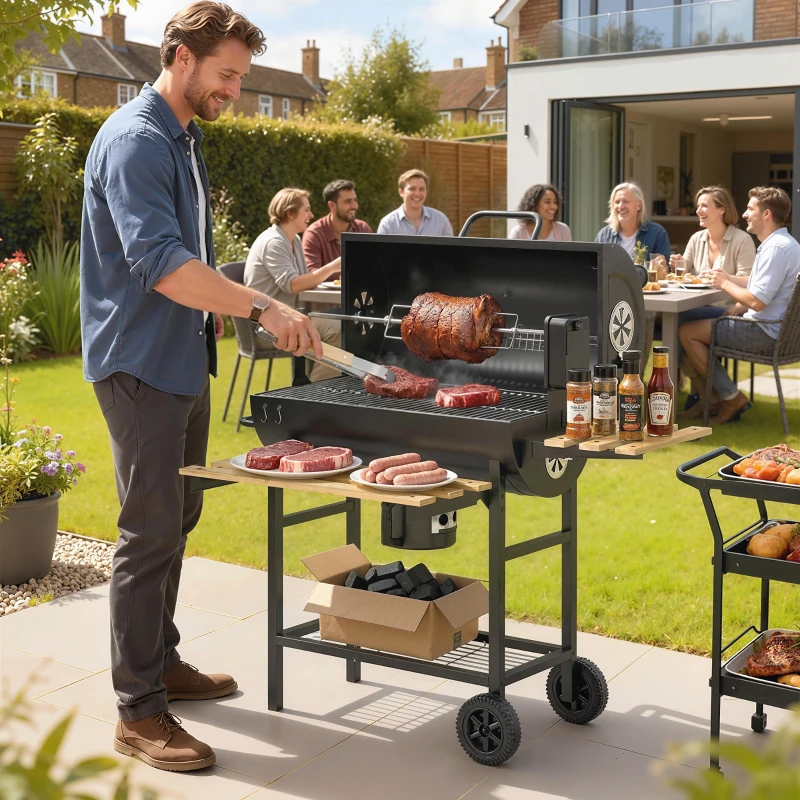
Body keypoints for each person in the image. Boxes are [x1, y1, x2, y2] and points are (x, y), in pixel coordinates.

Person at [81, 2, 321, 773]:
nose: (235, 91)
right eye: (226, 75)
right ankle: (137, 709)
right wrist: (262, 303)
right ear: (180, 58)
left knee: (178, 517)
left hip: (181, 360)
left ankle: (163, 662)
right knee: (148, 530)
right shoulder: (136, 141)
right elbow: (162, 266)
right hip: (138, 364)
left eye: (242, 78)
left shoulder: (184, 139)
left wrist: (223, 311)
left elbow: (189, 258)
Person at [679, 186, 799, 424]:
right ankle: (709, 397)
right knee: (686, 315)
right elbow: (759, 285)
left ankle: (730, 397)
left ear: (766, 214)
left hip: (763, 332)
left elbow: (756, 300)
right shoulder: (786, 244)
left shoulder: (774, 249)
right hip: (776, 329)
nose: (744, 214)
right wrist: (728, 277)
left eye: (750, 208)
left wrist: (724, 284)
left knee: (687, 332)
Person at [671, 186, 756, 417]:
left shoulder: (742, 240)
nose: (698, 210)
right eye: (698, 206)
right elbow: (684, 274)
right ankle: (715, 397)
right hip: (700, 308)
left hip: (731, 310)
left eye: (704, 205)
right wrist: (676, 264)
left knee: (680, 326)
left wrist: (726, 280)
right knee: (677, 324)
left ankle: (669, 387)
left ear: (721, 209)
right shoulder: (696, 239)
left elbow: (751, 281)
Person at [245, 187, 342, 381]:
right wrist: (331, 268)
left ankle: (305, 386)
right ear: (290, 213)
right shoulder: (273, 242)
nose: (311, 215)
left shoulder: (294, 240)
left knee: (344, 323)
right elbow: (292, 285)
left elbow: (304, 281)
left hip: (289, 316)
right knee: (338, 330)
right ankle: (316, 395)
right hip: (267, 324)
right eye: (306, 210)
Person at [595, 182, 670, 365]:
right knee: (609, 356)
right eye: (617, 202)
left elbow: (665, 273)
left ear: (639, 205)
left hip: (643, 303)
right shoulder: (605, 235)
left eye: (625, 202)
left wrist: (661, 266)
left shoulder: (656, 233)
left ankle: (635, 380)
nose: (620, 206)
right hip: (611, 302)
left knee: (637, 357)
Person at [302, 179, 371, 273]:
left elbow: (373, 266)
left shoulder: (362, 229)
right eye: (348, 201)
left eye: (355, 200)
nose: (355, 206)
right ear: (332, 205)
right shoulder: (314, 234)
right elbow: (311, 274)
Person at [377, 169, 453, 236]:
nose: (417, 194)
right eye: (412, 189)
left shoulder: (441, 221)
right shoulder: (388, 224)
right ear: (401, 192)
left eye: (421, 189)